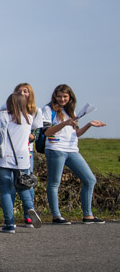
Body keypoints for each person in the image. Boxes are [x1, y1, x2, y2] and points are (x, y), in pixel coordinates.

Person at [43, 84, 106, 225]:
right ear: (55, 96)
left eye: (65, 96)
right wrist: (65, 123)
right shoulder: (48, 109)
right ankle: (56, 216)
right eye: (59, 96)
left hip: (72, 149)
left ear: (70, 97)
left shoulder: (71, 111)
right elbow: (47, 132)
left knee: (90, 180)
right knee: (54, 183)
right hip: (56, 149)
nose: (62, 99)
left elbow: (76, 133)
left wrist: (89, 124)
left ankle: (88, 215)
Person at [0, 93, 43, 233]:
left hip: (3, 158)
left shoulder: (2, 116)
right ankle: (30, 208)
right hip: (22, 159)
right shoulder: (29, 118)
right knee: (24, 187)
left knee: (6, 190)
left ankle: (9, 223)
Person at [13, 83, 43, 228]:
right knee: (10, 184)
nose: (22, 94)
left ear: (30, 94)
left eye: (25, 91)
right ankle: (10, 217)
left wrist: (24, 135)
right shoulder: (8, 109)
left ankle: (29, 214)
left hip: (26, 150)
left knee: (26, 181)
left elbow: (35, 134)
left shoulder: (36, 111)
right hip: (10, 152)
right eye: (19, 91)